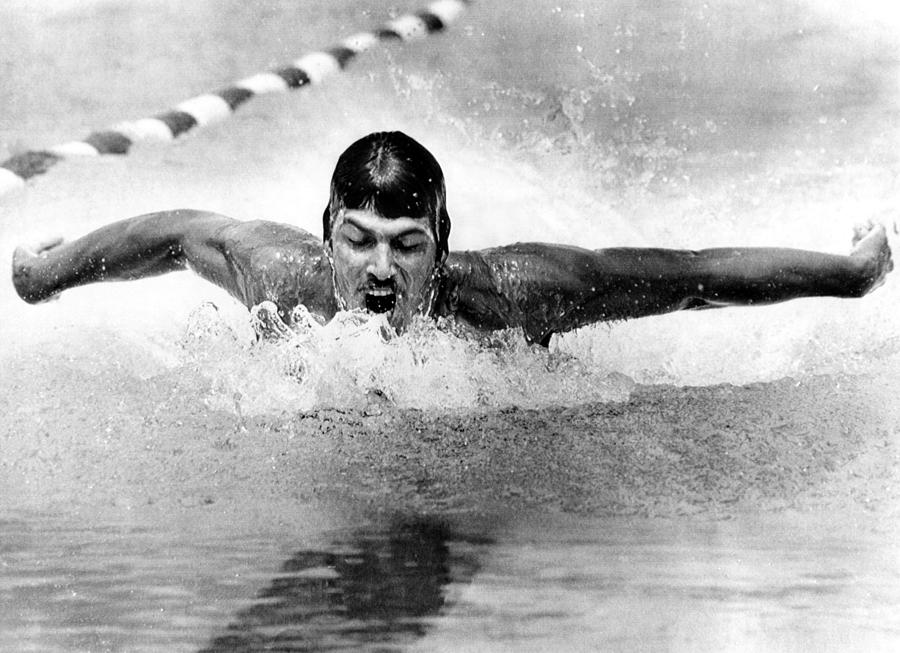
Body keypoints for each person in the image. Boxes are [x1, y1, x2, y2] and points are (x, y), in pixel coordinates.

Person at [11, 131, 894, 347]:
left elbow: (692, 275)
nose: (379, 269)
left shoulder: (517, 294)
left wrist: (851, 273)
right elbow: (173, 235)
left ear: (443, 240)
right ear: (327, 234)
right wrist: (44, 273)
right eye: (357, 240)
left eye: (405, 243)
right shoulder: (285, 276)